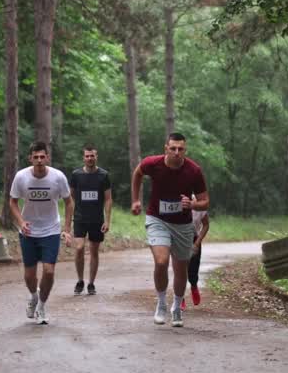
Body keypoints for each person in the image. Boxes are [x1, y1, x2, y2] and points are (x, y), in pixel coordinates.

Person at [130, 133, 209, 327]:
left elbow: (205, 201)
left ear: (185, 150)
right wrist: (136, 199)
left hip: (183, 225)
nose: (176, 152)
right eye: (172, 148)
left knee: (180, 268)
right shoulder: (153, 163)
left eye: (180, 149)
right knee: (161, 260)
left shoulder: (194, 171)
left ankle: (176, 307)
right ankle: (161, 303)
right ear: (166, 148)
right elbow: (137, 173)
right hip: (157, 219)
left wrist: (192, 204)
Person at [8, 141, 73, 325]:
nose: (39, 160)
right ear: (30, 159)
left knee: (49, 271)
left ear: (47, 158)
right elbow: (12, 202)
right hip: (28, 231)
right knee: (29, 275)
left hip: (51, 229)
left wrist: (67, 230)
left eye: (42, 156)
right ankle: (34, 296)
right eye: (35, 157)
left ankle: (42, 306)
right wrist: (21, 222)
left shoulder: (58, 177)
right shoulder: (21, 177)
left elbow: (69, 202)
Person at [67, 145, 112, 296]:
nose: (89, 158)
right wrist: (71, 215)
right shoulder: (76, 174)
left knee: (94, 251)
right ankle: (80, 280)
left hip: (97, 219)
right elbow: (70, 197)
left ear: (96, 157)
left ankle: (91, 283)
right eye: (87, 156)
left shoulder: (103, 175)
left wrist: (107, 220)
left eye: (92, 156)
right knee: (79, 248)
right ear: (83, 158)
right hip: (80, 218)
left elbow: (108, 199)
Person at [185, 203, 210, 307]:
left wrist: (197, 243)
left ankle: (194, 286)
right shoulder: (177, 200)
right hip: (179, 238)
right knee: (180, 269)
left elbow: (206, 225)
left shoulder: (199, 204)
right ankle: (179, 297)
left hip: (194, 239)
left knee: (193, 269)